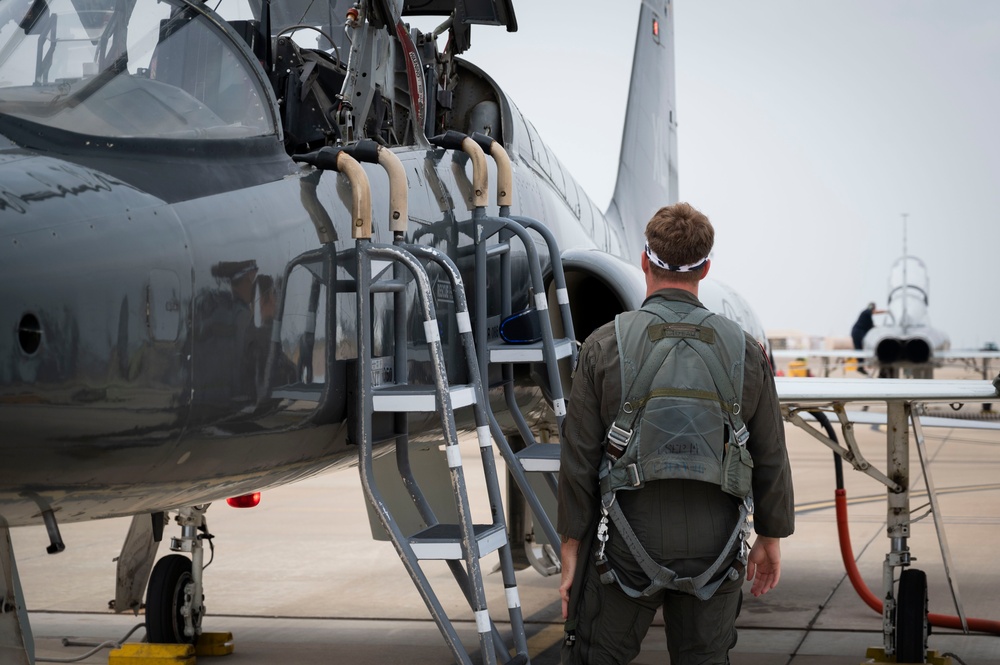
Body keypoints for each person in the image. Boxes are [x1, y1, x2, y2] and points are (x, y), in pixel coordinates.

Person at [557, 202, 795, 665]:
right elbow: (771, 454)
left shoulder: (604, 345)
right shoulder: (746, 351)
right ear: (705, 268)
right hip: (718, 542)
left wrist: (571, 546)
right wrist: (771, 537)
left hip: (626, 540)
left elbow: (580, 458)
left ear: (644, 260)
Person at [850, 302, 884, 375]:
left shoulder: (866, 313)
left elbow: (874, 315)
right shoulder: (867, 313)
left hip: (858, 332)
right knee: (859, 349)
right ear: (873, 308)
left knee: (860, 348)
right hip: (857, 332)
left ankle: (862, 366)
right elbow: (872, 323)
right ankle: (861, 366)